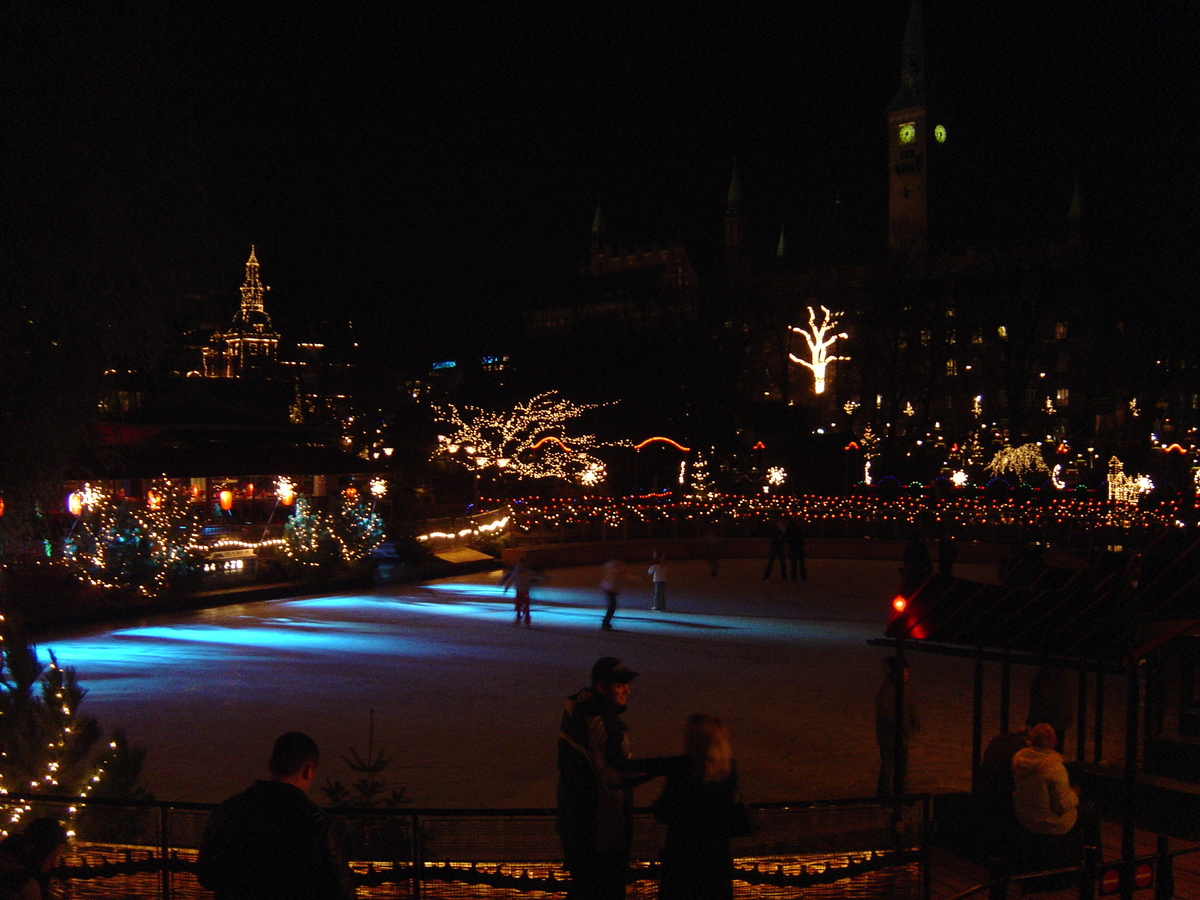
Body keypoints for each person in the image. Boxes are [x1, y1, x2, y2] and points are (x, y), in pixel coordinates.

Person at [198, 731, 356, 900]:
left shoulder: (227, 812)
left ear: (271, 765)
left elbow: (206, 876)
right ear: (308, 770)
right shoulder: (319, 825)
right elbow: (341, 890)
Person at [557, 658, 654, 900]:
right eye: (620, 685)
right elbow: (616, 775)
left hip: (577, 822)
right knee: (601, 888)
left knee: (585, 886)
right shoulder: (599, 724)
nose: (627, 691)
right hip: (600, 829)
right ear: (602, 687)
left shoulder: (580, 709)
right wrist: (666, 767)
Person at [649, 714, 743, 900]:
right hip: (716, 853)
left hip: (683, 854)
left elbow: (665, 811)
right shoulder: (728, 769)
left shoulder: (684, 768)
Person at [1011, 723, 1080, 867]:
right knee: (1087, 814)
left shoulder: (1019, 761)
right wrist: (1074, 794)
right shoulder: (1055, 768)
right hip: (1049, 823)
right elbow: (1062, 805)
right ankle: (1084, 864)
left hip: (1025, 817)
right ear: (1054, 742)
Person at [875, 656, 920, 797]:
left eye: (908, 672)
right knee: (888, 766)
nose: (907, 675)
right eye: (905, 673)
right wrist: (895, 724)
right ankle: (884, 794)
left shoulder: (906, 688)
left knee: (902, 766)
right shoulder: (887, 690)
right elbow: (884, 712)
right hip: (889, 737)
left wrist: (914, 720)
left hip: (903, 735)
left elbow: (911, 705)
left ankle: (900, 791)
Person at [0, 817, 68, 900]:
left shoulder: (7, 862)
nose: (54, 864)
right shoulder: (25, 885)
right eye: (52, 857)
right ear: (39, 853)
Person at [502, 557, 537, 627]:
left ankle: (527, 620)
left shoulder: (528, 572)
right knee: (518, 605)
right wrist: (506, 587)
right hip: (519, 591)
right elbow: (511, 579)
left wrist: (533, 585)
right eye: (520, 564)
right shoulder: (516, 572)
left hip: (525, 591)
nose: (522, 565)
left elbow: (532, 579)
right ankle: (518, 618)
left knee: (526, 606)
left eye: (523, 564)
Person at [600, 558, 625, 631]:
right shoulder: (616, 567)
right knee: (612, 606)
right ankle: (605, 623)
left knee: (612, 606)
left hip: (608, 588)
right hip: (609, 588)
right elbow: (616, 578)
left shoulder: (609, 565)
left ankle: (606, 622)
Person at [786, 519, 807, 583]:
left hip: (793, 548)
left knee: (794, 563)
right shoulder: (799, 529)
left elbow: (788, 539)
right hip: (799, 547)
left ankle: (794, 577)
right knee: (801, 563)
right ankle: (803, 577)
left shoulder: (789, 530)